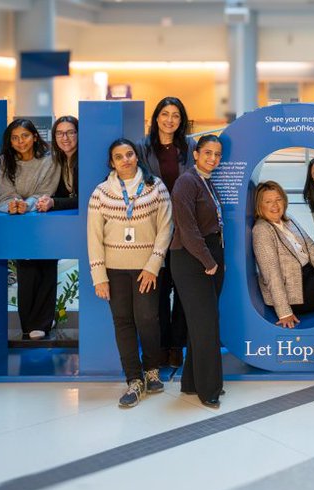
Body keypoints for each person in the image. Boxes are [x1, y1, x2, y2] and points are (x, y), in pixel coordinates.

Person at [87, 139, 173, 408]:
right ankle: (134, 379)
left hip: (146, 268)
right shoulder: (100, 193)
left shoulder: (155, 187)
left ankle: (151, 371)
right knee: (123, 322)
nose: (125, 160)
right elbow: (93, 237)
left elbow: (166, 228)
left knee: (148, 318)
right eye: (118, 156)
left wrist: (153, 266)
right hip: (114, 270)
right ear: (111, 162)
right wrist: (99, 276)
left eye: (129, 154)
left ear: (137, 157)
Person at [139, 97, 197, 367]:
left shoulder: (190, 147)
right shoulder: (142, 148)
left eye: (176, 115)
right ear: (156, 117)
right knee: (158, 291)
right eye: (165, 114)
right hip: (155, 228)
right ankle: (161, 345)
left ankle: (177, 345)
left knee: (184, 290)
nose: (170, 120)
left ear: (181, 120)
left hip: (185, 229)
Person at [170, 134, 227, 408]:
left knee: (201, 323)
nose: (213, 159)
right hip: (192, 259)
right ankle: (209, 389)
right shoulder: (186, 182)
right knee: (206, 325)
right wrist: (209, 262)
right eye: (208, 153)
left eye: (217, 154)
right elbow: (188, 229)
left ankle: (191, 382)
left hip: (209, 256)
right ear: (196, 154)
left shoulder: (206, 181)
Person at [0, 118, 60, 340]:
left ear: (35, 136)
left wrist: (27, 205)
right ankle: (27, 324)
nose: (20, 141)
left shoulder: (50, 161)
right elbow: (3, 192)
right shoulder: (3, 161)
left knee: (47, 267)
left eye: (24, 136)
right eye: (15, 138)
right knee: (26, 269)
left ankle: (43, 323)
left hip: (42, 219)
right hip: (13, 218)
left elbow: (46, 190)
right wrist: (13, 205)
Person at [252, 180, 314, 328]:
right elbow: (272, 274)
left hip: (307, 275)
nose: (275, 205)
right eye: (268, 202)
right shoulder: (262, 231)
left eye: (278, 199)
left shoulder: (288, 219)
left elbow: (310, 247)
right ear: (260, 206)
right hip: (293, 295)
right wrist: (284, 312)